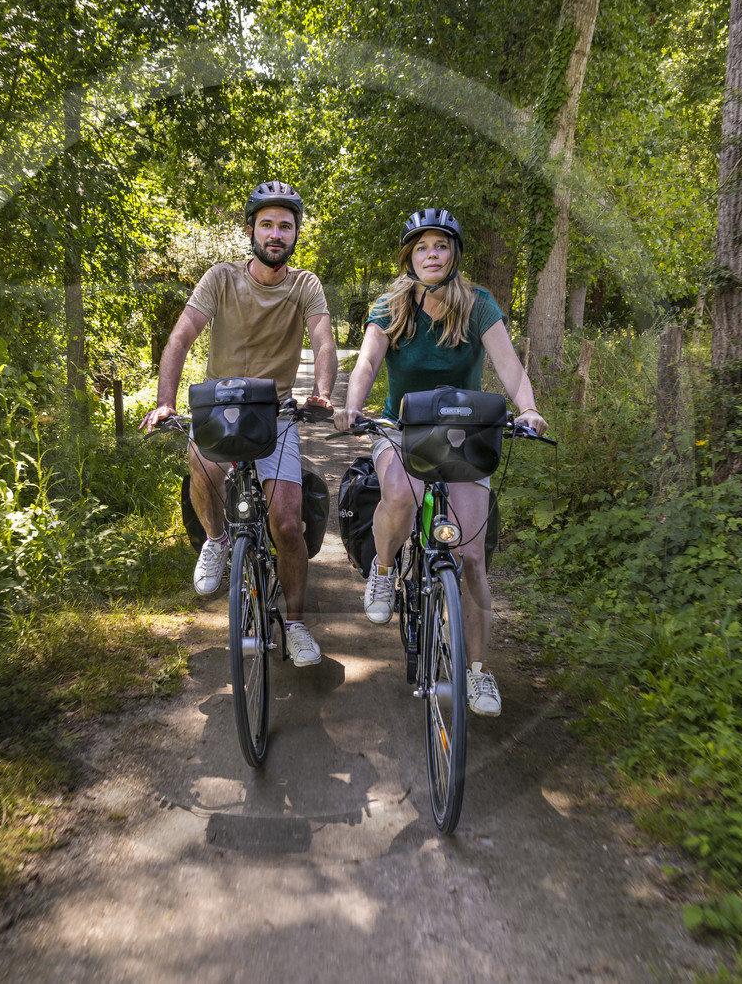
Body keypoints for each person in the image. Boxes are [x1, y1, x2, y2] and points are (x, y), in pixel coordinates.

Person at [335, 208, 546, 715]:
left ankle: (477, 673)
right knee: (402, 494)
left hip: (463, 436)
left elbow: (508, 365)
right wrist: (350, 405)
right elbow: (367, 360)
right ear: (410, 256)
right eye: (422, 247)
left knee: (472, 559)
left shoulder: (478, 304)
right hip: (403, 430)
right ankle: (384, 569)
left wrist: (530, 408)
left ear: (453, 256)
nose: (432, 254)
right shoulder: (391, 305)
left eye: (442, 246)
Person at [142, 181, 338, 666]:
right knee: (200, 461)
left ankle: (294, 623)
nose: (276, 234)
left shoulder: (304, 285)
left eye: (286, 226)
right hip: (221, 409)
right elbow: (181, 337)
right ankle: (216, 540)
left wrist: (324, 393)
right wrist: (166, 401)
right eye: (267, 224)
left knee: (288, 524)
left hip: (276, 413)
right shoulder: (221, 279)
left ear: (295, 235)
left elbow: (323, 339)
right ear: (251, 229)